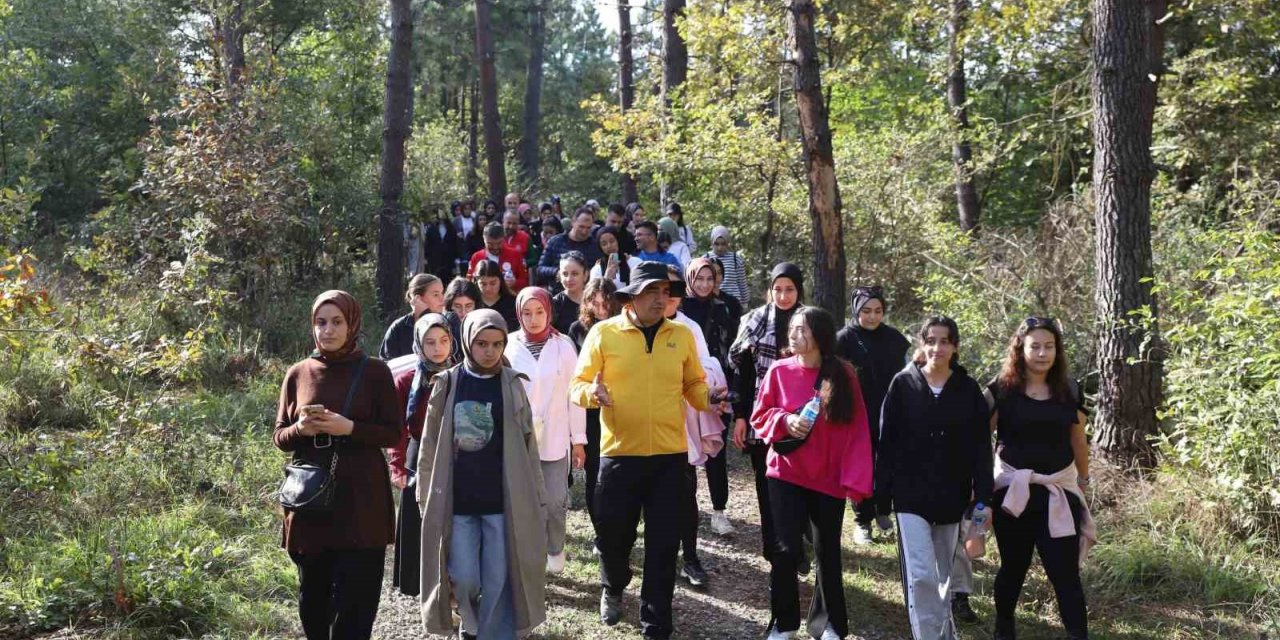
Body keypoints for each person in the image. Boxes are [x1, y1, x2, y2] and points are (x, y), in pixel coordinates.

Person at [570, 261, 724, 640]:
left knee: (664, 541)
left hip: (670, 457)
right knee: (614, 536)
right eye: (653, 291)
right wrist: (593, 393)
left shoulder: (682, 335)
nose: (662, 298)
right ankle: (613, 585)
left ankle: (656, 622)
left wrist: (709, 398)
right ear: (633, 297)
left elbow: (693, 385)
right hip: (620, 454)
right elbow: (577, 385)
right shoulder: (604, 334)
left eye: (666, 292)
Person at [273, 290, 401, 640]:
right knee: (313, 598)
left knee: (356, 602)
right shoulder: (298, 373)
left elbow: (393, 433)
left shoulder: (374, 372)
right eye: (320, 322)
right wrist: (300, 428)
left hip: (362, 499)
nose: (327, 330)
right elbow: (279, 437)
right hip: (311, 502)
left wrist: (350, 428)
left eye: (336, 322)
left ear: (352, 324)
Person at [415, 310, 547, 640]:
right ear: (467, 342)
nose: (489, 351)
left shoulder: (513, 385)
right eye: (481, 343)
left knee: (498, 577)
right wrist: (424, 494)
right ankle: (469, 623)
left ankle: (489, 634)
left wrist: (537, 497)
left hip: (502, 501)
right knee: (464, 576)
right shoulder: (448, 384)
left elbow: (529, 446)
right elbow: (429, 445)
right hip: (458, 500)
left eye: (497, 344)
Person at [751, 307, 873, 640]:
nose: (794, 335)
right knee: (785, 550)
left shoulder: (844, 375)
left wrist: (856, 479)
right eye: (792, 329)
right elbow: (759, 417)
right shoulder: (778, 370)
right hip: (785, 474)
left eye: (802, 329)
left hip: (827, 479)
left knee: (827, 552)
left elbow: (859, 428)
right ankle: (784, 622)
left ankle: (830, 624)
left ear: (820, 335)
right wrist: (785, 421)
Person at [875, 316, 993, 640]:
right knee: (922, 575)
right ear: (921, 343)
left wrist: (983, 498)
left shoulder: (968, 391)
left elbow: (982, 449)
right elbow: (886, 444)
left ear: (954, 347)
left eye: (944, 341)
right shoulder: (903, 384)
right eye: (931, 340)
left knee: (944, 578)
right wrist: (881, 499)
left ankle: (945, 633)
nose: (937, 348)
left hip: (952, 497)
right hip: (910, 496)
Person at [988, 317, 1097, 640]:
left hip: (1058, 494)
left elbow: (1078, 439)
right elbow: (979, 434)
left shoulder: (1070, 389)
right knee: (1013, 567)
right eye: (1035, 346)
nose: (1042, 353)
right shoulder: (1001, 389)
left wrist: (1083, 481)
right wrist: (978, 485)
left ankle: (1078, 634)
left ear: (1057, 350)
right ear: (1020, 348)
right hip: (1013, 494)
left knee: (1065, 573)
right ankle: (1004, 627)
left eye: (1049, 346)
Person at [504, 288, 587, 574]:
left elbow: (574, 394)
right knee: (522, 503)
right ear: (518, 314)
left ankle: (555, 548)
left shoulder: (563, 345)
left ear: (549, 312)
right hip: (518, 437)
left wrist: (578, 439)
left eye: (539, 312)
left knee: (554, 501)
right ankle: (528, 556)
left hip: (554, 436)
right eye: (527, 313)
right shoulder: (508, 345)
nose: (533, 319)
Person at [729, 262, 806, 564]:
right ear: (770, 290)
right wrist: (740, 416)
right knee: (766, 480)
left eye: (789, 289)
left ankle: (796, 543)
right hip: (763, 414)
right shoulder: (755, 321)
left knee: (798, 481)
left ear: (799, 291)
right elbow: (743, 374)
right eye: (778, 289)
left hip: (801, 415)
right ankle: (772, 544)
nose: (784, 296)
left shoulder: (809, 322)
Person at [661, 265, 727, 589]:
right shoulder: (635, 327)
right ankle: (660, 560)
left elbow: (704, 369)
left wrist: (712, 391)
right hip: (644, 427)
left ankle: (690, 558)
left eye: (673, 291)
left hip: (681, 423)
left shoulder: (689, 329)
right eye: (661, 290)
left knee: (686, 493)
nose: (667, 298)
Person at [834, 285, 910, 545]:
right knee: (861, 467)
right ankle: (862, 521)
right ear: (856, 310)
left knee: (887, 464)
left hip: (889, 411)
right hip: (857, 413)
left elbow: (906, 375)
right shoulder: (843, 339)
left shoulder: (894, 339)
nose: (872, 317)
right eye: (866, 311)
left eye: (878, 311)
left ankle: (882, 510)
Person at [388, 313, 455, 597]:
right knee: (418, 519)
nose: (437, 348)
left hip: (454, 455)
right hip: (417, 455)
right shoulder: (405, 381)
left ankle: (452, 581)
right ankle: (420, 583)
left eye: (443, 340)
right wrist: (398, 466)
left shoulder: (460, 375)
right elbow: (397, 428)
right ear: (419, 343)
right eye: (430, 342)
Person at [681, 258, 740, 536]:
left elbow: (735, 347)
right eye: (699, 278)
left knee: (716, 449)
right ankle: (687, 509)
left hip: (718, 385)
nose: (704, 284)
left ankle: (719, 511)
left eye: (710, 278)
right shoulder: (679, 308)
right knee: (686, 449)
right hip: (686, 385)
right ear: (689, 279)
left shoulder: (726, 306)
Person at [567, 277, 621, 540]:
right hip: (588, 411)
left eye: (605, 302)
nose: (600, 309)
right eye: (594, 302)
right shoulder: (577, 329)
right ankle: (601, 532)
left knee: (618, 470)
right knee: (594, 472)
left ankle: (618, 526)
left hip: (618, 407)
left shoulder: (623, 328)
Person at [380, 274, 445, 361]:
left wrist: (425, 314)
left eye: (442, 293)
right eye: (436, 295)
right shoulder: (399, 328)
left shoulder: (447, 323)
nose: (442, 299)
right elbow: (387, 363)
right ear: (418, 299)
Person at [538, 209, 604, 286]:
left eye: (588, 228)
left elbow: (602, 270)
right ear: (573, 222)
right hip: (558, 291)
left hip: (585, 292)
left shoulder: (594, 246)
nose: (584, 231)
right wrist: (557, 272)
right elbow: (540, 269)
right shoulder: (555, 242)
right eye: (581, 227)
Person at [468, 222, 528, 292]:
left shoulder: (515, 255)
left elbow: (525, 280)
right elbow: (469, 281)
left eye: (499, 243)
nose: (495, 247)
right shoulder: (476, 257)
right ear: (484, 240)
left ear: (504, 239)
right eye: (490, 244)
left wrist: (515, 283)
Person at [706, 226, 749, 308]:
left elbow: (742, 283)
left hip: (734, 302)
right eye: (717, 244)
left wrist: (745, 303)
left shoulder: (736, 259)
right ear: (712, 243)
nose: (720, 247)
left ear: (728, 243)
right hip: (713, 302)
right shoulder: (705, 259)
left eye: (723, 244)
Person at [473, 259, 519, 329]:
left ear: (500, 280)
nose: (488, 288)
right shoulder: (471, 303)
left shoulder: (513, 302)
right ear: (476, 282)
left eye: (493, 283)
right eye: (483, 284)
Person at [551, 251, 588, 335]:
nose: (569, 279)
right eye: (565, 274)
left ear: (585, 275)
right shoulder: (555, 304)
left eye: (575, 274)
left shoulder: (594, 301)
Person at [425, 205, 461, 282]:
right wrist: (426, 257)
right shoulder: (432, 228)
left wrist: (456, 257)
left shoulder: (451, 228)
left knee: (448, 279)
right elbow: (428, 243)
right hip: (435, 259)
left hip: (448, 259)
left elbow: (455, 243)